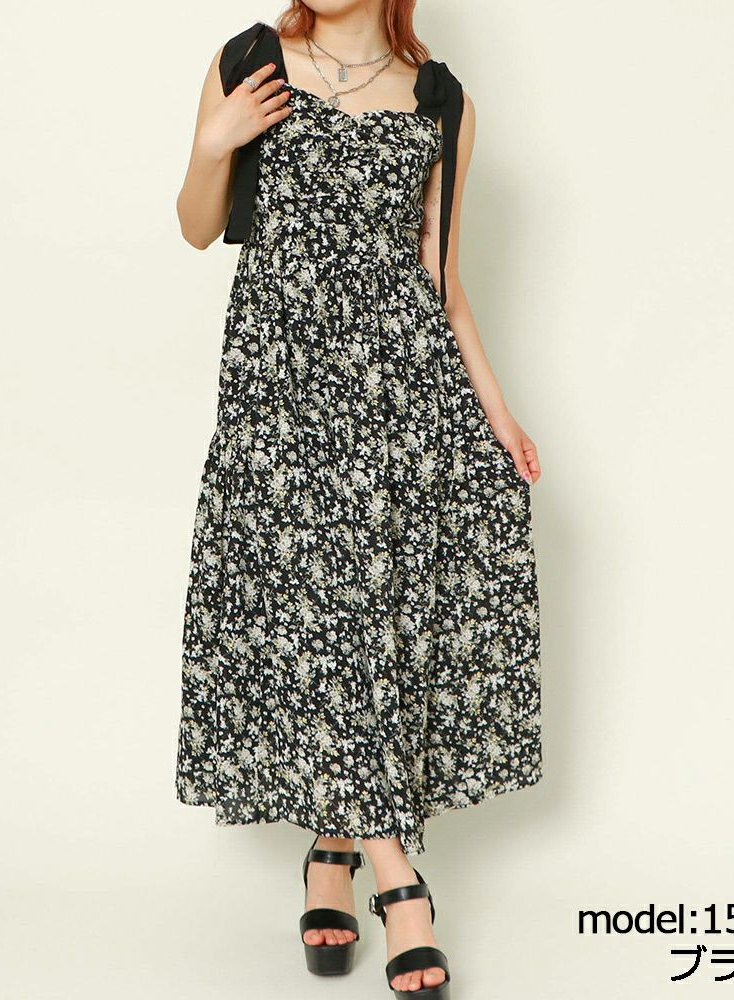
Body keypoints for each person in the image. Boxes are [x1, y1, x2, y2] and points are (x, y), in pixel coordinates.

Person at [174, 2, 543, 995]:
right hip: (281, 391)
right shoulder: (251, 62)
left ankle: (331, 854)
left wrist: (498, 413)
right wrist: (214, 142)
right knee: (322, 614)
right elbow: (198, 228)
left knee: (364, 619)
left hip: (399, 394)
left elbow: (441, 277)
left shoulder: (442, 100)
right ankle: (399, 882)